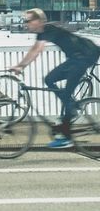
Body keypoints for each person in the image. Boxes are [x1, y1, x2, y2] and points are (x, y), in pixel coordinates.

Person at [10, 8, 100, 148]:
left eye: (28, 20)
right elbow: (35, 49)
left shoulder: (48, 30)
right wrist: (21, 65)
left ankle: (66, 137)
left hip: (84, 57)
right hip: (76, 59)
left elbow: (36, 50)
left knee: (67, 97)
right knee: (49, 79)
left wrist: (20, 66)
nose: (25, 23)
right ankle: (70, 105)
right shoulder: (42, 33)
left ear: (38, 21)